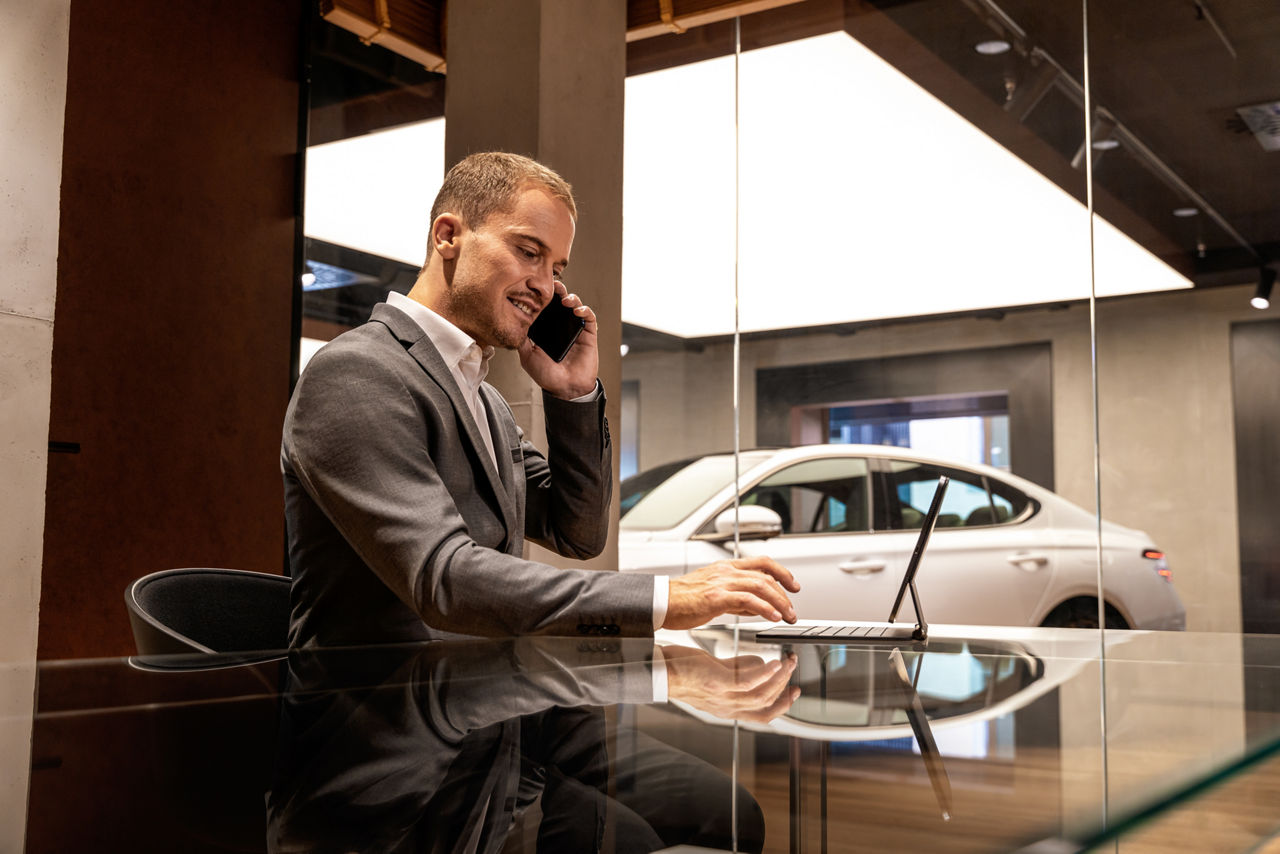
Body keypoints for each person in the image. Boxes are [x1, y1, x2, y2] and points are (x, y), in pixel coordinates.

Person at [281, 151, 798, 648]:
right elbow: (444, 578)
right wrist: (665, 598)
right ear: (448, 236)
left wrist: (573, 395)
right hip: (382, 720)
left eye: (556, 267)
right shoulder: (356, 373)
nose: (546, 287)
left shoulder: (485, 399)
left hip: (483, 710)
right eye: (529, 252)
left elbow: (578, 533)